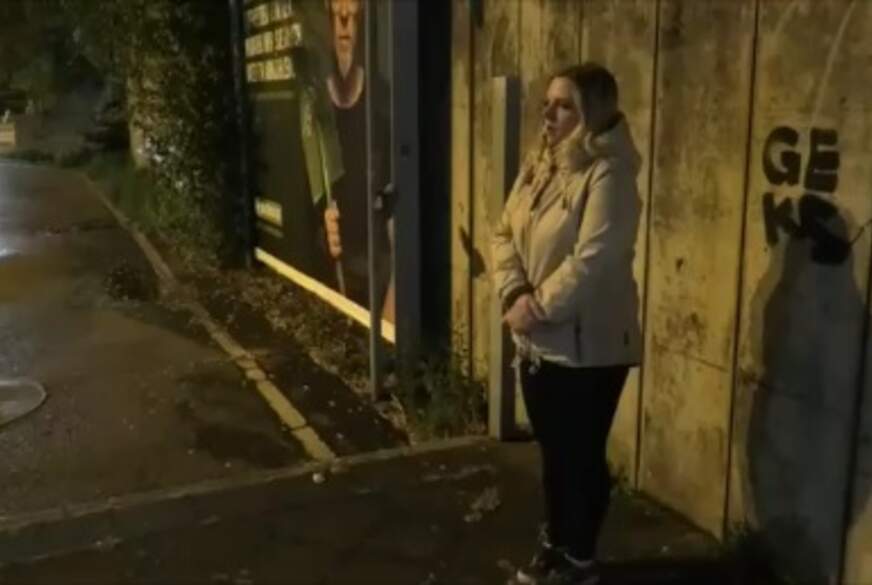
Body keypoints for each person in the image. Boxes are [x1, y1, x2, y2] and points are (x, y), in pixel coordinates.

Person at [492, 63, 643, 585]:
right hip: (537, 341)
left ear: (594, 113)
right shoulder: (541, 165)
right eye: (548, 104)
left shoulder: (609, 175)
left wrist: (535, 308)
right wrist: (514, 292)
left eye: (564, 106)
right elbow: (502, 233)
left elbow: (593, 261)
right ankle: (556, 541)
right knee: (555, 454)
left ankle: (580, 559)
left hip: (590, 347)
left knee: (579, 457)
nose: (549, 115)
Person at [321, 0, 394, 320]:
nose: (344, 18)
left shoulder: (383, 101)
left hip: (376, 277)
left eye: (352, 9)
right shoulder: (314, 105)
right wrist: (321, 229)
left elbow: (395, 197)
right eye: (336, 9)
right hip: (332, 285)